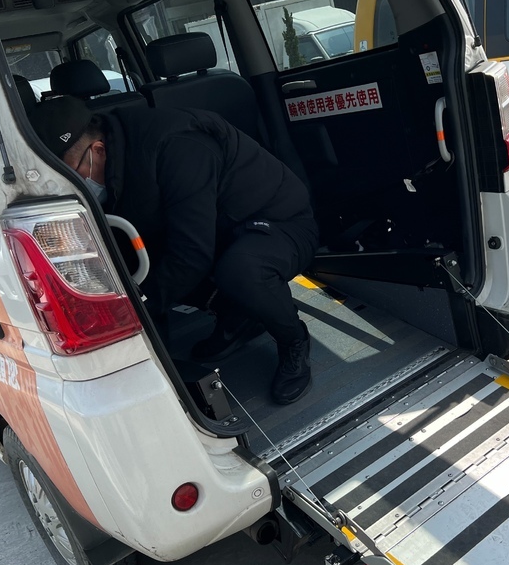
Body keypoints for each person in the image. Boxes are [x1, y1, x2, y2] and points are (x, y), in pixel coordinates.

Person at [29, 96, 318, 404]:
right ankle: (240, 317)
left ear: (97, 150)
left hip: (281, 224)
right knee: (146, 261)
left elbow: (191, 253)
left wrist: (140, 309)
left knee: (241, 270)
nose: (72, 186)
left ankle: (294, 340)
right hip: (223, 229)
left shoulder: (176, 145)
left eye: (73, 175)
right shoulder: (119, 152)